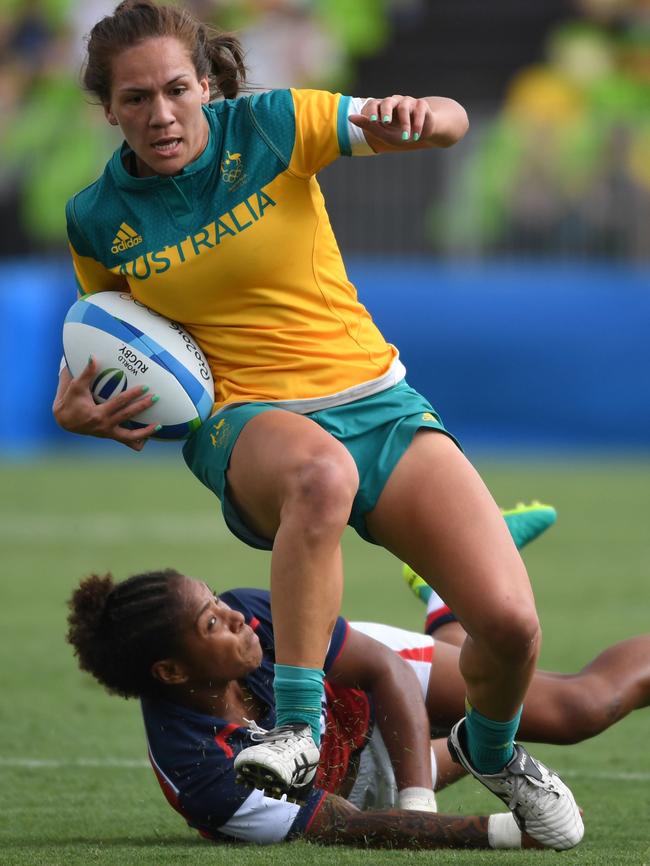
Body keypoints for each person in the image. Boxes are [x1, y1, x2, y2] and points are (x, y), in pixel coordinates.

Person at [51, 1, 583, 847]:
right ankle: (295, 732)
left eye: (176, 90)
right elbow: (110, 341)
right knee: (319, 474)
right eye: (136, 99)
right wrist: (78, 406)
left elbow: (448, 123)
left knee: (512, 630)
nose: (160, 114)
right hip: (243, 421)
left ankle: (492, 749)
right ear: (109, 108)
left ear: (206, 83)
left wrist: (428, 118)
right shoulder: (96, 218)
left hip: (377, 400)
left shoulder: (272, 124)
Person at [66, 568, 650, 849]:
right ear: (171, 672)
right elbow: (349, 823)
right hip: (353, 783)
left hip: (369, 687)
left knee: (577, 710)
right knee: (476, 715)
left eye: (218, 600)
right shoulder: (201, 769)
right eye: (212, 623)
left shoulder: (259, 616)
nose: (238, 615)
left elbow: (383, 670)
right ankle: (444, 600)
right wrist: (510, 834)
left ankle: (448, 595)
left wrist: (418, 802)